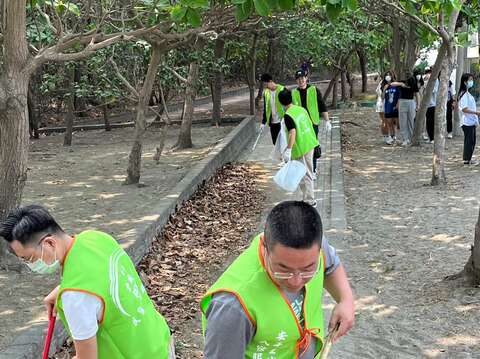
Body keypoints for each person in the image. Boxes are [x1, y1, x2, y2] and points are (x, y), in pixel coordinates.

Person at [0, 205, 174, 359]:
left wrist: (69, 292)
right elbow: (101, 275)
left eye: (29, 258)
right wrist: (62, 289)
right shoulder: (95, 238)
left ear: (49, 243)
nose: (31, 265)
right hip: (157, 340)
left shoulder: (75, 298)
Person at [201, 201, 355, 359]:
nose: (295, 281)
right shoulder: (232, 308)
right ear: (265, 248)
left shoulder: (313, 245)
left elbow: (331, 264)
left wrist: (346, 300)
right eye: (284, 269)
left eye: (307, 269)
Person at [279, 89, 319, 206]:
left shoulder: (288, 115)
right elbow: (309, 124)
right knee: (306, 173)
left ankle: (310, 201)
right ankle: (307, 198)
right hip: (309, 143)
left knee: (305, 174)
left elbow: (292, 133)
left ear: (281, 102)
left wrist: (289, 150)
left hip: (301, 148)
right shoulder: (301, 109)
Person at [291, 69, 332, 176]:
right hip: (300, 125)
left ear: (306, 78)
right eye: (298, 79)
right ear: (296, 81)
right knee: (301, 146)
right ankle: (303, 169)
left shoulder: (314, 90)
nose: (301, 81)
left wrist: (327, 121)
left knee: (312, 146)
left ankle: (313, 169)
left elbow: (322, 105)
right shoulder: (294, 93)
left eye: (302, 78)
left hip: (313, 123)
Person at [457, 73, 479, 165]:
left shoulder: (467, 93)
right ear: (465, 82)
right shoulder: (463, 94)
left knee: (472, 141)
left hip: (471, 121)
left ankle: (468, 159)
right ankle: (466, 160)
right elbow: (464, 109)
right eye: (470, 80)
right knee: (469, 141)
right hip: (467, 121)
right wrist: (476, 113)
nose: (471, 81)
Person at [396, 70, 421, 146]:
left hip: (411, 102)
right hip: (402, 101)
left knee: (411, 120)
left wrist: (418, 105)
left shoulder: (413, 82)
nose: (407, 75)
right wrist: (401, 84)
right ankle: (405, 139)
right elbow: (393, 84)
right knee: (403, 121)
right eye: (406, 74)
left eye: (408, 74)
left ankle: (411, 139)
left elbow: (417, 94)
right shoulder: (401, 82)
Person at [261, 73, 285, 145]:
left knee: (284, 143)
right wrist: (263, 122)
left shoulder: (282, 89)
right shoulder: (266, 93)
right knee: (275, 144)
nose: (264, 86)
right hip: (273, 123)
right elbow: (266, 108)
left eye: (265, 84)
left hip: (283, 122)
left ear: (270, 81)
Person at [383, 72, 400, 145]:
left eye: (389, 75)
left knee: (398, 123)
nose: (388, 76)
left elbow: (399, 96)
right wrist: (384, 89)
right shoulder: (385, 86)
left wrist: (397, 105)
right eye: (386, 75)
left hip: (395, 107)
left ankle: (401, 138)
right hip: (387, 107)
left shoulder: (396, 85)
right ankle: (393, 137)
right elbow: (382, 97)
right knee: (390, 123)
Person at [425, 69, 440, 143]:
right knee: (428, 122)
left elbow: (433, 90)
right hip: (427, 105)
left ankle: (433, 138)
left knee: (432, 122)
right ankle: (430, 137)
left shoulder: (436, 80)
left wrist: (427, 82)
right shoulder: (426, 80)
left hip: (433, 104)